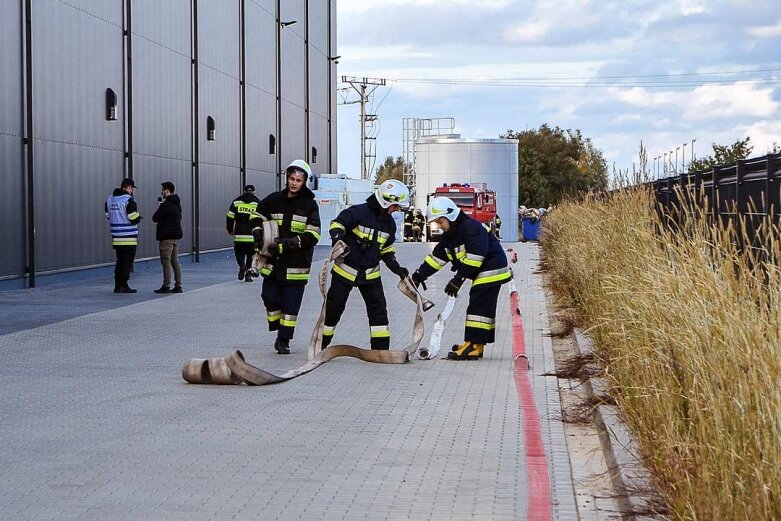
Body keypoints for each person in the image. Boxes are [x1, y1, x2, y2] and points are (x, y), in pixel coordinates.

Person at [411, 197, 512, 360]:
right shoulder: (450, 235)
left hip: (491, 268)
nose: (439, 226)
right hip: (485, 270)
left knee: (478, 306)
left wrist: (458, 280)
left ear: (450, 216)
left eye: (440, 221)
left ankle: (472, 345)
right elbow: (437, 258)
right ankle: (476, 345)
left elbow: (476, 257)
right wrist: (419, 275)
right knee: (482, 307)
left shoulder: (470, 228)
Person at [322, 179, 410, 350]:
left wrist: (395, 266)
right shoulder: (358, 212)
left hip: (371, 275)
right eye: (396, 206)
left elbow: (386, 249)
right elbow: (337, 223)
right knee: (334, 309)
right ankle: (321, 344)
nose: (397, 210)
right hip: (345, 272)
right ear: (386, 201)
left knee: (379, 312)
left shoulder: (390, 225)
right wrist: (338, 238)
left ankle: (380, 350)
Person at [255, 160, 321, 355]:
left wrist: (291, 243)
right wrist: (258, 232)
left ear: (304, 182)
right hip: (272, 262)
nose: (294, 183)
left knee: (291, 307)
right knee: (269, 297)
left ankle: (284, 340)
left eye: (298, 180)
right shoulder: (273, 199)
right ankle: (275, 324)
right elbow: (257, 215)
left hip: (296, 265)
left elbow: (314, 234)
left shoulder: (310, 205)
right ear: (287, 178)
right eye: (292, 178)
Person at [105, 178, 142, 293]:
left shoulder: (110, 199)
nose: (132, 191)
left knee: (120, 261)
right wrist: (138, 217)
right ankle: (123, 285)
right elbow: (133, 217)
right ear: (129, 188)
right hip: (128, 237)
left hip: (116, 237)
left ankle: (117, 285)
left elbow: (107, 215)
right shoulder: (128, 200)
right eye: (132, 189)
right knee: (127, 262)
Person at [152, 181, 183, 294]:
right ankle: (178, 285)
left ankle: (166, 285)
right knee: (175, 261)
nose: (161, 192)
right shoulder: (177, 204)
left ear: (167, 191)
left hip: (166, 237)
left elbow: (155, 218)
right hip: (176, 236)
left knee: (166, 261)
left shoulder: (166, 205)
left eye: (163, 190)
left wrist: (160, 208)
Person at [227, 184, 262, 282]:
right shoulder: (258, 203)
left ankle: (242, 266)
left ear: (244, 191)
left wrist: (230, 230)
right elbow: (261, 219)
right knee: (251, 256)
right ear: (254, 192)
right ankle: (248, 276)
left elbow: (229, 217)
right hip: (252, 235)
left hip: (239, 234)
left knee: (239, 254)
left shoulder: (236, 202)